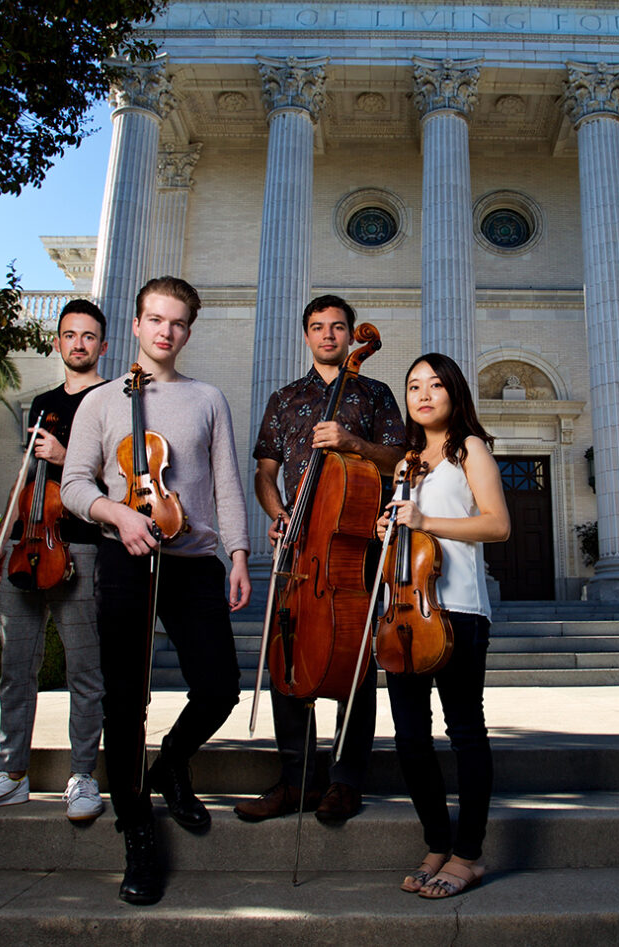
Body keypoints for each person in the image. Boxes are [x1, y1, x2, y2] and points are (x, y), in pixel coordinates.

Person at [60, 276, 251, 907]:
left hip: (194, 560)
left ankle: (171, 763)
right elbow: (74, 484)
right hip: (126, 557)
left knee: (221, 685)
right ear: (137, 325)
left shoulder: (206, 398)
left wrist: (241, 555)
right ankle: (136, 828)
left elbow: (227, 483)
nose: (165, 331)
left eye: (177, 322)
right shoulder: (102, 400)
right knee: (124, 702)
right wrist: (118, 515)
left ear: (187, 331)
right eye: (154, 319)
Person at [236, 294, 406, 825]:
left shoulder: (374, 393)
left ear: (353, 335)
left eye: (338, 327)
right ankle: (297, 780)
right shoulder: (285, 397)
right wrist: (279, 513)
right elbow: (266, 472)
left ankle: (346, 781)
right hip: (298, 549)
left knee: (355, 660)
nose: (328, 335)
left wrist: (352, 442)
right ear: (306, 335)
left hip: (355, 547)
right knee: (286, 657)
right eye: (318, 327)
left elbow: (400, 460)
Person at [0, 299, 110, 823]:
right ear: (58, 342)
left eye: (89, 336)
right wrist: (2, 539)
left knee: (86, 672)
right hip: (26, 547)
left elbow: (127, 484)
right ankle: (10, 774)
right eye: (70, 335)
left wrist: (68, 458)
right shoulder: (41, 402)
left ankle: (83, 775)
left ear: (102, 346)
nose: (79, 344)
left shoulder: (111, 402)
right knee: (16, 670)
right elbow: (22, 484)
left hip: (81, 548)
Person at [377, 352, 508, 900]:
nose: (423, 394)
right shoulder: (406, 460)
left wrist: (425, 519)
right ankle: (437, 841)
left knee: (465, 732)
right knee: (409, 738)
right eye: (413, 386)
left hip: (457, 613)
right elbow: (404, 539)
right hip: (406, 612)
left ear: (453, 392)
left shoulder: (468, 449)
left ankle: (469, 854)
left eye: (434, 384)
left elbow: (496, 525)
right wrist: (389, 523)